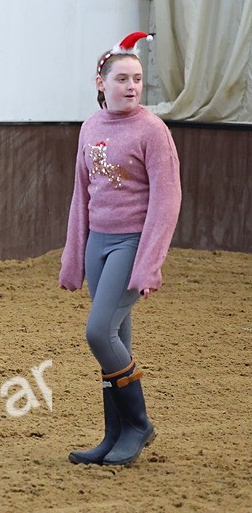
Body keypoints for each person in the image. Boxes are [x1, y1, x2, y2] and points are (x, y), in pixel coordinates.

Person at [59, 31, 182, 466]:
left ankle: (138, 425)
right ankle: (113, 435)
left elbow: (167, 200)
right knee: (115, 342)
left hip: (132, 243)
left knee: (98, 333)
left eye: (138, 79)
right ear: (101, 82)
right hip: (98, 245)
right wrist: (74, 259)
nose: (132, 86)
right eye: (122, 78)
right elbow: (81, 194)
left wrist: (149, 265)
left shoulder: (152, 129)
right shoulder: (91, 127)